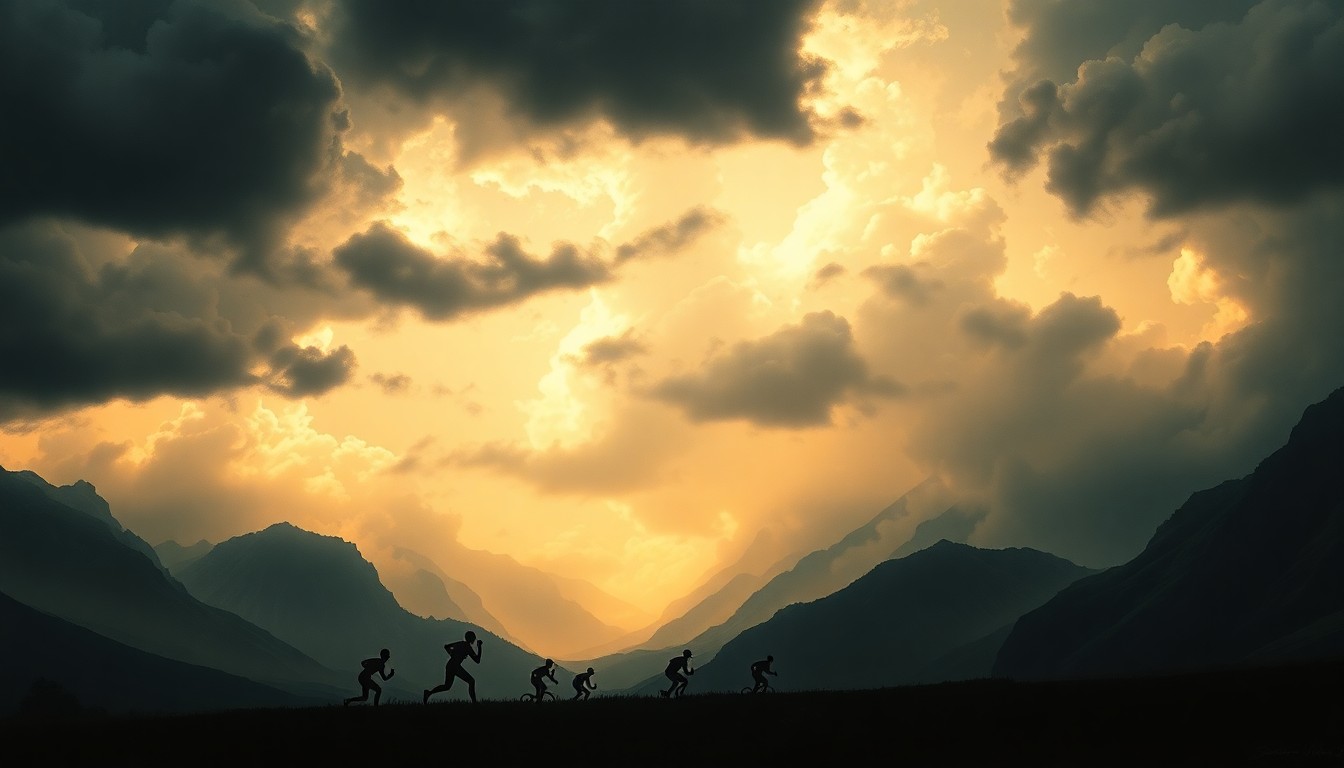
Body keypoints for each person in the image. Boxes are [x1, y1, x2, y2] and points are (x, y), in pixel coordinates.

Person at [424, 630, 483, 704]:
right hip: (455, 667)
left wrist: (452, 654)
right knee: (471, 681)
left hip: (450, 665)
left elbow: (447, 647)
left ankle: (429, 693)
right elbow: (477, 660)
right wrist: (480, 647)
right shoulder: (468, 647)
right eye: (474, 638)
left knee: (447, 686)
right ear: (471, 639)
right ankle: (474, 703)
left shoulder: (460, 644)